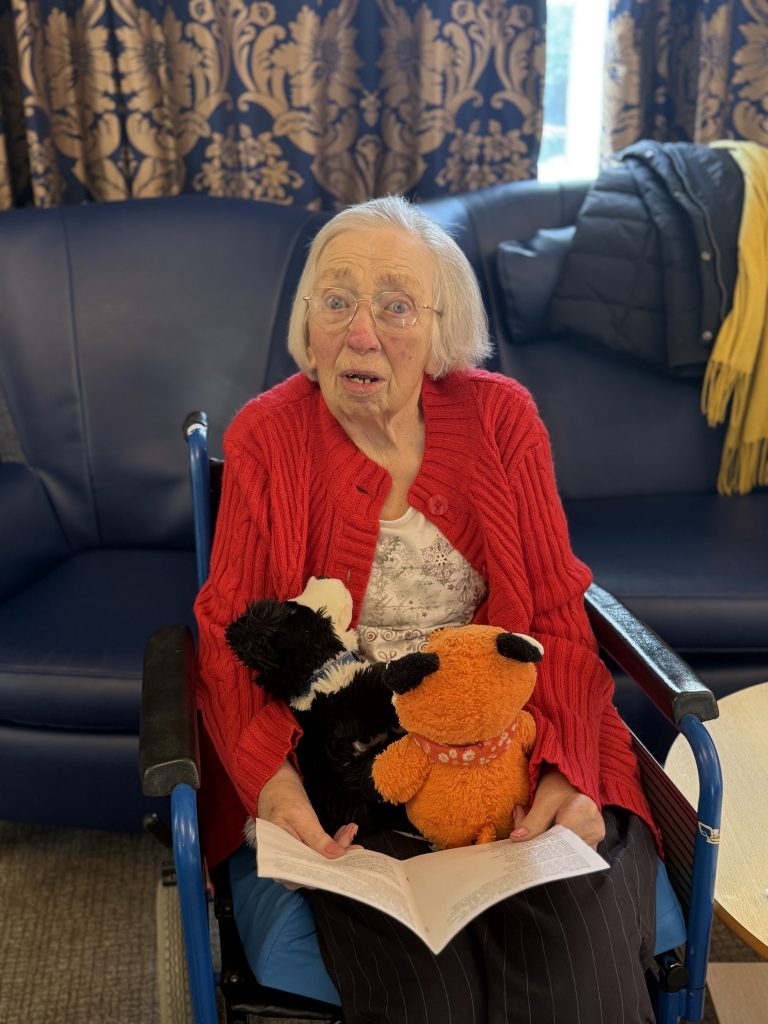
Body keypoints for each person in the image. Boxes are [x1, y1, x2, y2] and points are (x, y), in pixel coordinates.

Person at [194, 195, 659, 1024]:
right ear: (308, 318)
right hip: (352, 771)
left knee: (574, 971)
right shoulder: (269, 438)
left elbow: (555, 613)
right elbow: (230, 634)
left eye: (395, 306)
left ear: (440, 327)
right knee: (427, 999)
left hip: (517, 743)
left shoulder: (499, 419)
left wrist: (565, 769)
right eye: (336, 301)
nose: (360, 333)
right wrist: (272, 788)